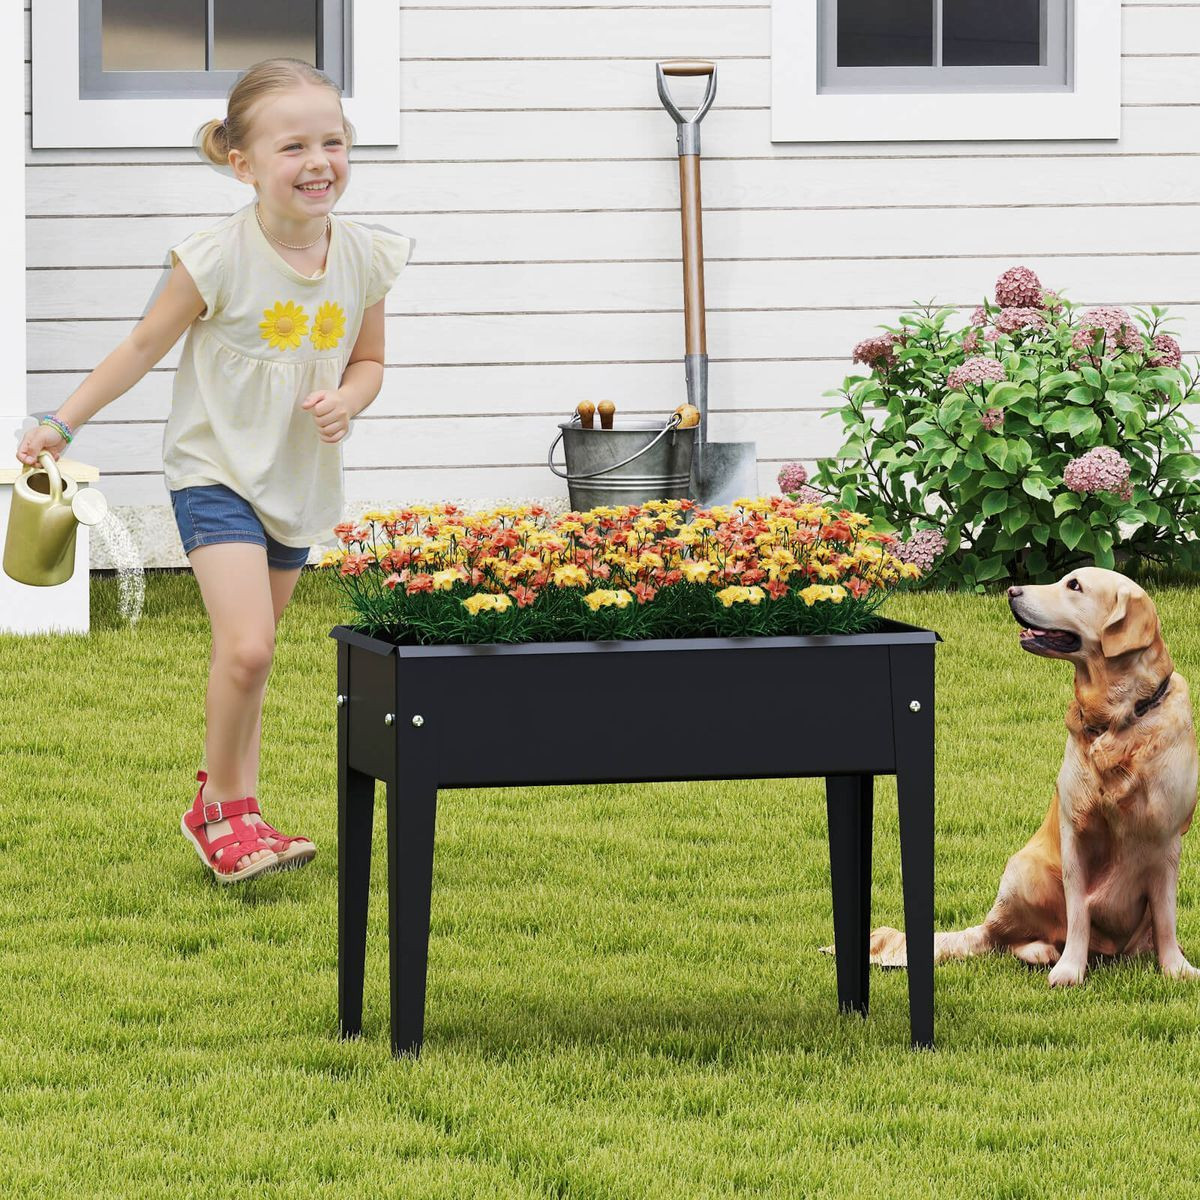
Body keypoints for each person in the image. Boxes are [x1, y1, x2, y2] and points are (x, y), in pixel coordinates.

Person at [16, 58, 415, 883]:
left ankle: (234, 810)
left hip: (298, 480)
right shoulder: (213, 257)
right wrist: (62, 422)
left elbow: (370, 361)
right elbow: (140, 347)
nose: (318, 161)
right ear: (243, 163)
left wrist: (350, 397)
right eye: (293, 145)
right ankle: (224, 812)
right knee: (247, 649)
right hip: (215, 471)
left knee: (254, 657)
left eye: (333, 141)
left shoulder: (365, 256)